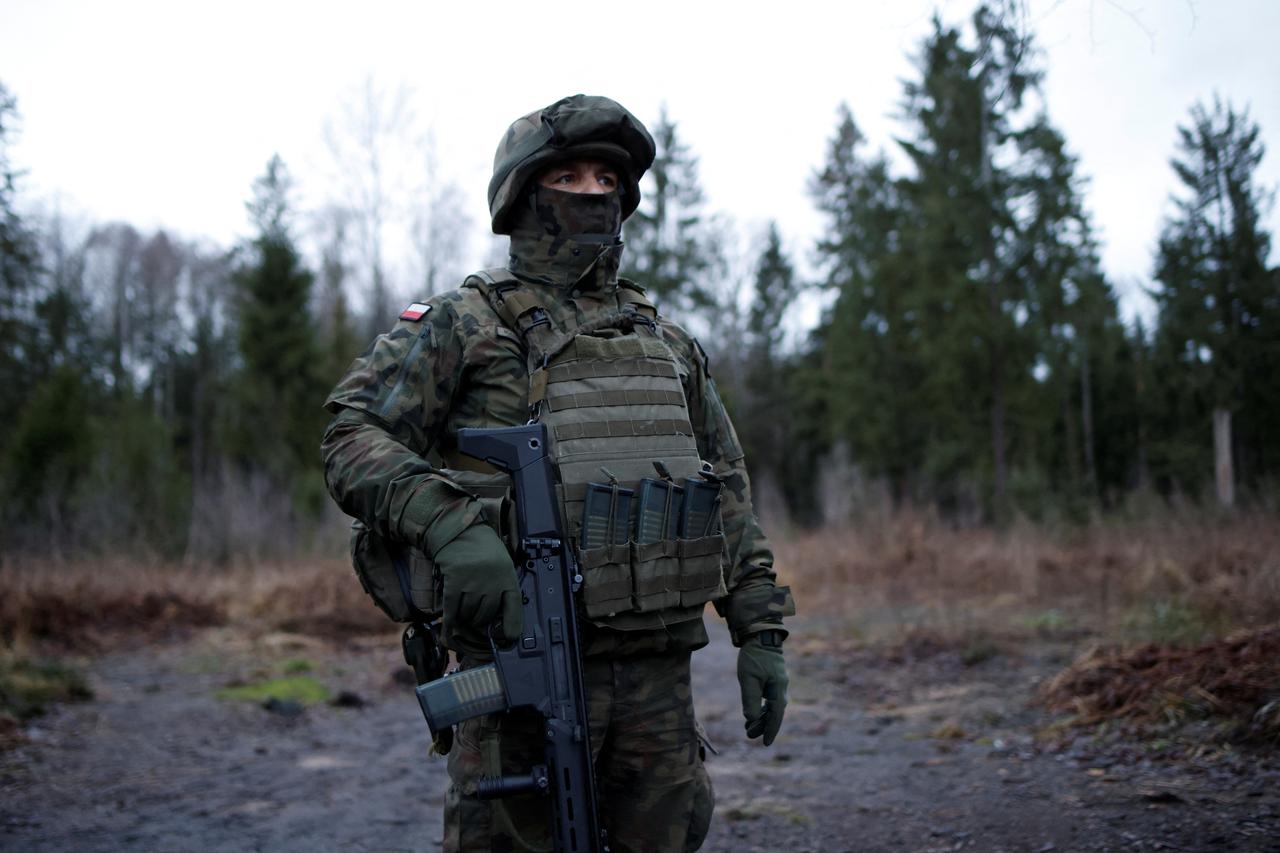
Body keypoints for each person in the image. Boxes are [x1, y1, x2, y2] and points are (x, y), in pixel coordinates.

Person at [321, 94, 795, 853]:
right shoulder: (463, 324)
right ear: (523, 193)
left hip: (655, 680)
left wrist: (760, 629)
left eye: (606, 180)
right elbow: (350, 432)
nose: (589, 195)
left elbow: (723, 483)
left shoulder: (663, 339)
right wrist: (450, 527)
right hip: (520, 661)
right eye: (568, 177)